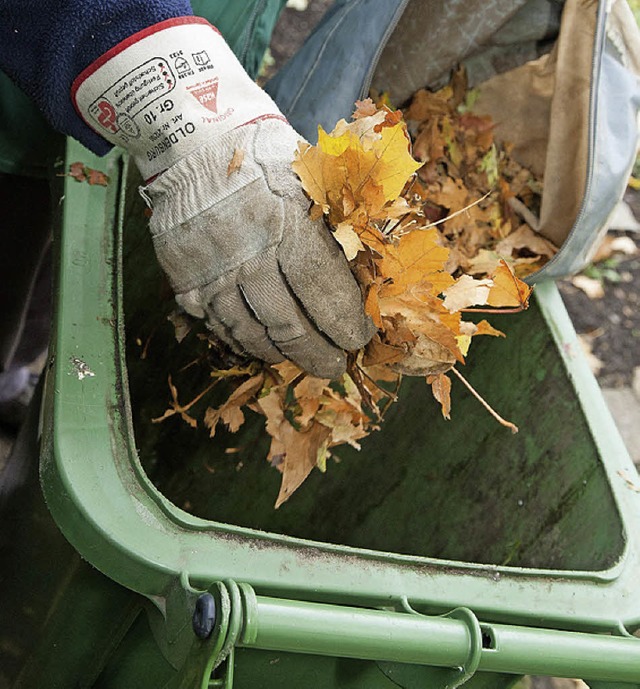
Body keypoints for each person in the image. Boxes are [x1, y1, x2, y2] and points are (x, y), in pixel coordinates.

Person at [0, 0, 375, 430]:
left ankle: (12, 378)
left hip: (172, 69)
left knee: (61, 277)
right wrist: (127, 36)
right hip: (30, 81)